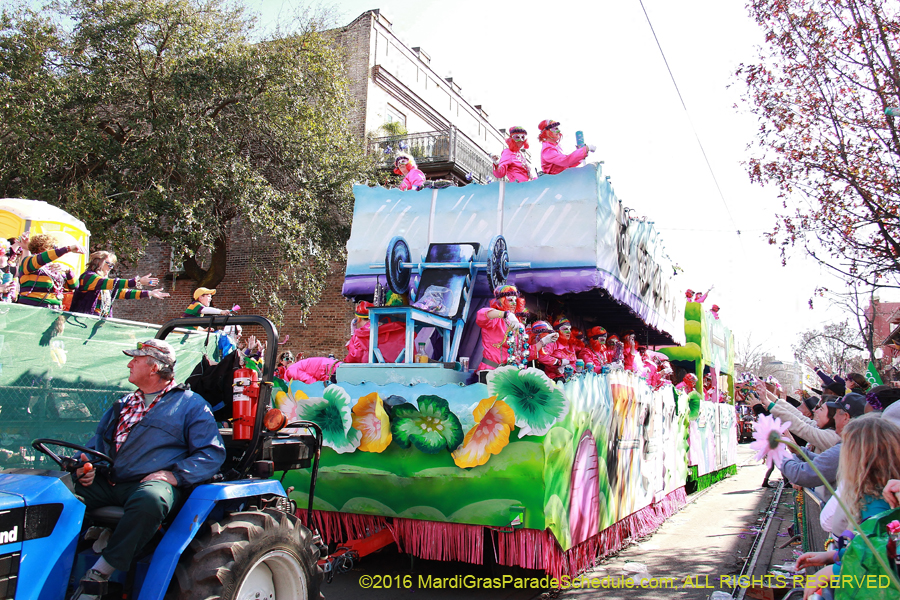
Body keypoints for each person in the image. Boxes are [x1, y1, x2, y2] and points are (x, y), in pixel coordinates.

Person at [70, 339, 225, 599]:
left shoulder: (191, 405)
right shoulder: (123, 404)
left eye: (136, 359)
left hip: (148, 484)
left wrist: (175, 475)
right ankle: (57, 560)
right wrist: (84, 465)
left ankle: (99, 574)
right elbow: (96, 443)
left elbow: (211, 453)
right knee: (60, 490)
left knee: (151, 500)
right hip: (110, 480)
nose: (129, 364)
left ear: (154, 367)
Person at [794, 415, 900, 598]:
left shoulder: (879, 504)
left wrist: (833, 571)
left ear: (857, 459)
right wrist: (831, 556)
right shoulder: (869, 495)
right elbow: (859, 545)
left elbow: (878, 558)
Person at [777, 393, 867, 502]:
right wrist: (799, 451)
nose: (834, 417)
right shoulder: (853, 444)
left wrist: (777, 451)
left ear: (846, 417)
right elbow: (822, 462)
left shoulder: (846, 448)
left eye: (837, 413)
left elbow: (802, 474)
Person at [70, 251, 169, 317]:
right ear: (98, 262)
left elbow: (124, 293)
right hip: (83, 321)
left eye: (112, 265)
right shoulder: (88, 277)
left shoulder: (104, 283)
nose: (111, 268)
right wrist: (137, 281)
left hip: (99, 323)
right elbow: (111, 283)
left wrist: (149, 293)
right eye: (109, 264)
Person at [16, 233, 83, 309]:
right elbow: (42, 258)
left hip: (53, 310)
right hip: (32, 309)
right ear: (45, 248)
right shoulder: (28, 261)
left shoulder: (54, 268)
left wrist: (68, 271)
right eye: (54, 247)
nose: (57, 249)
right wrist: (67, 249)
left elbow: (74, 286)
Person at [475, 285, 524, 370]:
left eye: (515, 300)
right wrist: (506, 314)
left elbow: (523, 353)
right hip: (491, 371)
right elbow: (481, 314)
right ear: (501, 301)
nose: (514, 303)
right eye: (510, 300)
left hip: (511, 374)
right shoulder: (494, 319)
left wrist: (543, 342)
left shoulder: (518, 325)